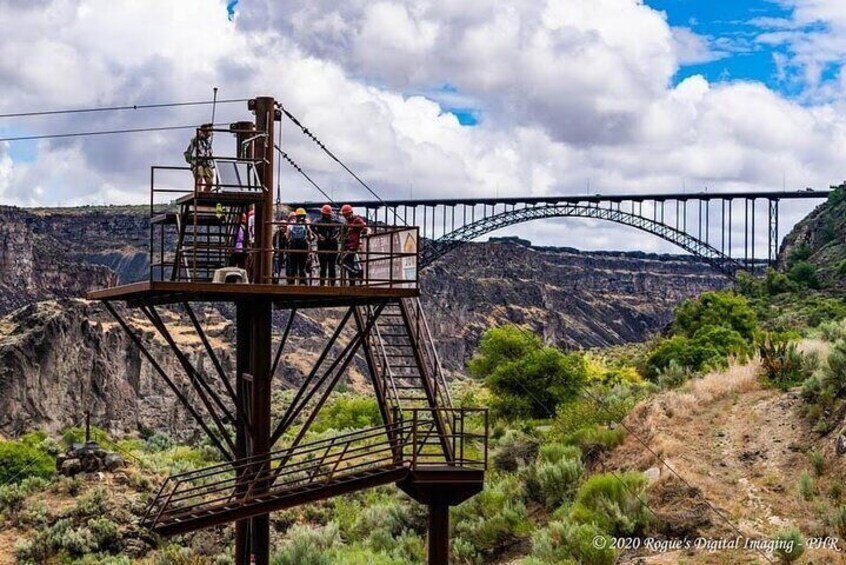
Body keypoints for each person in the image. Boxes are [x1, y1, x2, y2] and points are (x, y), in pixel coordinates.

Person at [339, 204, 368, 285]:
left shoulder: (357, 220)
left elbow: (365, 227)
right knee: (349, 264)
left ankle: (358, 273)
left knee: (342, 261)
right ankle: (352, 283)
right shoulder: (347, 222)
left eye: (346, 215)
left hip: (352, 246)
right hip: (346, 245)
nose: (345, 216)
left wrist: (368, 232)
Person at [313, 204, 340, 286]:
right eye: (326, 214)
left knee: (331, 266)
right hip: (324, 244)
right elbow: (311, 226)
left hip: (330, 244)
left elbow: (344, 226)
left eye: (328, 214)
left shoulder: (333, 221)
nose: (327, 215)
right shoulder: (319, 221)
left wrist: (337, 235)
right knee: (323, 266)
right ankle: (323, 284)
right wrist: (318, 235)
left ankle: (331, 285)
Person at [286, 208, 314, 285]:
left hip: (293, 246)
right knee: (302, 266)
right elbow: (310, 237)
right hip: (303, 246)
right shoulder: (306, 225)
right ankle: (303, 282)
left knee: (293, 266)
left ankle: (291, 283)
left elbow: (287, 237)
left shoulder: (291, 225)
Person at [184, 123, 215, 192]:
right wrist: (192, 162)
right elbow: (188, 153)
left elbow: (209, 152)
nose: (208, 134)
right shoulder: (195, 140)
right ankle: (199, 193)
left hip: (206, 163)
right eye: (206, 132)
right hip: (197, 163)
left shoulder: (207, 142)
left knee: (210, 183)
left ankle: (205, 195)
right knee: (199, 180)